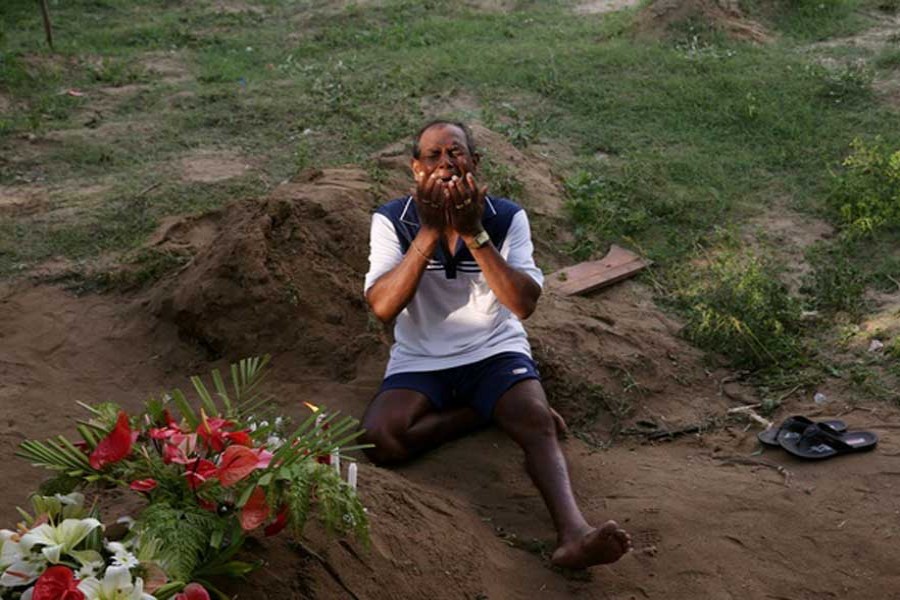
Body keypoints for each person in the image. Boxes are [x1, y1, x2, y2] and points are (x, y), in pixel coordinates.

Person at [361, 120, 632, 569]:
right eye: (434, 156)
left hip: (493, 351)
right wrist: (429, 232)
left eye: (457, 153)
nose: (446, 164)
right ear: (415, 169)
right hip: (420, 358)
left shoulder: (505, 217)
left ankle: (574, 534)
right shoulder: (392, 220)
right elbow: (383, 307)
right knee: (379, 440)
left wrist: (472, 232)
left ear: (475, 163)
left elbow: (523, 304)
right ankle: (482, 411)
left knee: (533, 422)